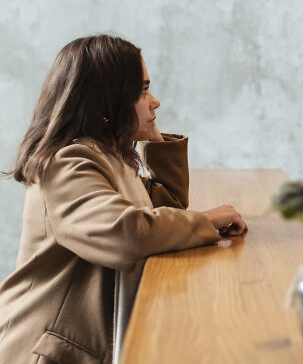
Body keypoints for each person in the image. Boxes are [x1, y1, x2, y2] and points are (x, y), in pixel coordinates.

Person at [0, 34, 247, 363]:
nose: (155, 101)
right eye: (143, 90)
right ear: (107, 100)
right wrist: (205, 221)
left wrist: (156, 139)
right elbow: (127, 234)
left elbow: (166, 206)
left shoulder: (106, 156)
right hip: (45, 353)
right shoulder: (68, 163)